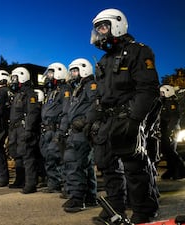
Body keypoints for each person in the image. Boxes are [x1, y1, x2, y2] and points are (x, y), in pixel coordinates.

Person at [89, 8, 160, 223]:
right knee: (107, 166)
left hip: (128, 116)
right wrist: (90, 121)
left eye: (103, 27)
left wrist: (135, 119)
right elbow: (100, 96)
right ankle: (115, 210)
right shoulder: (103, 61)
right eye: (98, 29)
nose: (100, 32)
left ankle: (144, 211)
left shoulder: (138, 51)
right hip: (108, 120)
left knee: (134, 167)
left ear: (117, 25)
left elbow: (148, 89)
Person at [59, 58, 98, 212]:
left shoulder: (90, 86)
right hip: (76, 131)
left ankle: (77, 199)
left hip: (82, 131)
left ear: (84, 70)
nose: (72, 74)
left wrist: (84, 121)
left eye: (75, 70)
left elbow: (96, 104)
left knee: (74, 163)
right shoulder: (79, 88)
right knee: (85, 165)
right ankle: (90, 197)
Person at [8, 67, 41, 194]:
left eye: (15, 78)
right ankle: (20, 180)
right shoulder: (18, 94)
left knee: (28, 156)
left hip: (24, 128)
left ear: (22, 77)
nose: (13, 81)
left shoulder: (30, 94)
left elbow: (32, 113)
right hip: (16, 130)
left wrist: (28, 130)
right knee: (17, 156)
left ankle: (31, 183)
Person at [39, 62, 71, 194]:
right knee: (48, 156)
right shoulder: (51, 91)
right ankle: (54, 183)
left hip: (57, 128)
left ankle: (66, 185)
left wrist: (62, 130)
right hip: (47, 130)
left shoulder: (65, 90)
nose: (49, 76)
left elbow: (66, 111)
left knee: (59, 157)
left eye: (51, 73)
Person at [159, 85, 185, 180]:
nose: (161, 94)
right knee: (167, 151)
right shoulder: (164, 102)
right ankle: (171, 170)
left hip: (171, 130)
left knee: (170, 151)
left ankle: (181, 170)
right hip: (166, 130)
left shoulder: (171, 103)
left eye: (162, 92)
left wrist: (170, 131)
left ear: (167, 92)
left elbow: (174, 118)